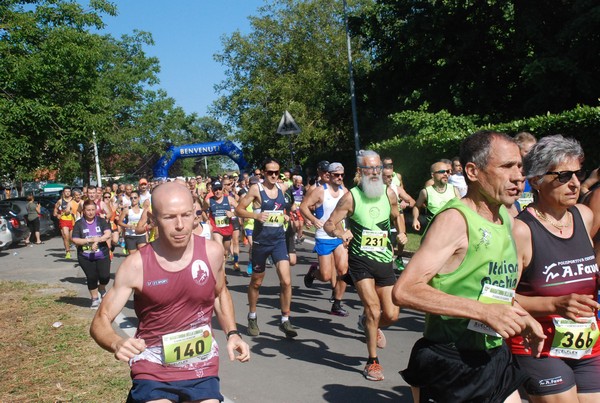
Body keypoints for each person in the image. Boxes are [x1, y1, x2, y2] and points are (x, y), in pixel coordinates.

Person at [393, 130, 546, 402]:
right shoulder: (455, 220)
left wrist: (522, 315)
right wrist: (482, 312)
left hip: (495, 355)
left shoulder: (506, 219)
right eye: (507, 166)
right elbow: (405, 290)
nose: (518, 176)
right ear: (473, 171)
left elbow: (490, 289)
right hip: (452, 360)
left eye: (520, 166)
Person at [90, 183, 250, 402]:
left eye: (186, 215)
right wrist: (116, 342)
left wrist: (232, 333)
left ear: (195, 214)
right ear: (153, 220)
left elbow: (220, 294)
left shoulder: (213, 252)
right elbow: (101, 319)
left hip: (201, 366)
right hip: (154, 367)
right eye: (169, 217)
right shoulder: (136, 265)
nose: (180, 225)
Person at [508, 135, 600, 402]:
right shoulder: (520, 230)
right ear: (536, 180)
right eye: (562, 176)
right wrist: (554, 304)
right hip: (539, 347)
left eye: (577, 174)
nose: (574, 183)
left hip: (586, 343)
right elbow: (502, 299)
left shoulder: (585, 216)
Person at [324, 150, 404, 381]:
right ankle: (373, 362)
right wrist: (340, 232)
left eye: (378, 168)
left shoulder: (389, 193)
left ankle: (367, 323)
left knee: (392, 314)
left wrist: (401, 233)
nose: (375, 172)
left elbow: (397, 215)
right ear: (360, 171)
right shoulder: (351, 197)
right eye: (370, 168)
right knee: (373, 309)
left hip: (384, 261)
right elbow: (330, 224)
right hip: (360, 261)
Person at [235, 158, 298, 338]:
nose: (273, 175)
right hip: (261, 242)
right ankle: (252, 316)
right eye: (269, 172)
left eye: (276, 172)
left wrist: (285, 216)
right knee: (256, 282)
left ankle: (285, 320)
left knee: (286, 281)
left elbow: (284, 207)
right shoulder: (256, 189)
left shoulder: (282, 188)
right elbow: (239, 210)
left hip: (278, 240)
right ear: (263, 173)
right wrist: (255, 216)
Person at [300, 162, 350, 316]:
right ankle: (313, 273)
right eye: (336, 175)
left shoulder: (345, 191)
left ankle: (337, 303)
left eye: (342, 175)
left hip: (339, 235)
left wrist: (348, 231)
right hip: (323, 235)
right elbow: (303, 206)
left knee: (343, 270)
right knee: (326, 275)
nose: (339, 177)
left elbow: (351, 211)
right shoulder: (320, 191)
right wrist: (313, 219)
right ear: (329, 175)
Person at [72, 199, 112, 308]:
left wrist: (97, 241)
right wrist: (89, 241)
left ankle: (102, 288)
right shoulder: (79, 223)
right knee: (92, 277)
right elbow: (75, 239)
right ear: (84, 211)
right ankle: (94, 299)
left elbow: (108, 234)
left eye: (93, 210)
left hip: (102, 254)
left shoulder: (101, 221)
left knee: (105, 276)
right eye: (88, 210)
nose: (91, 212)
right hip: (85, 256)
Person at [412, 161, 460, 231]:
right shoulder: (426, 192)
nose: (446, 174)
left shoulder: (454, 189)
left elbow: (463, 207)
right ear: (433, 175)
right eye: (442, 172)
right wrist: (415, 219)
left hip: (453, 230)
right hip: (434, 231)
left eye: (447, 171)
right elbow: (417, 206)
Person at [54, 187, 75, 258]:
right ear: (63, 192)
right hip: (64, 220)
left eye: (69, 191)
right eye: (66, 191)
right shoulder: (60, 201)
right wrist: (57, 215)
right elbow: (55, 210)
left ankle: (73, 246)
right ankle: (68, 252)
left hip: (73, 220)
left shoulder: (74, 200)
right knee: (66, 236)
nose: (67, 193)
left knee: (71, 238)